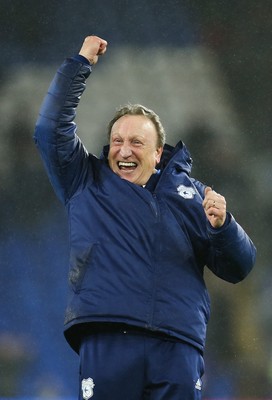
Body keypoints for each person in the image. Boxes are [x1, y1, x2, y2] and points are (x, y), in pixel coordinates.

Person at [34, 36, 256, 400]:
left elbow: (240, 266)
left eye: (136, 142)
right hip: (108, 338)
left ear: (158, 155)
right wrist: (79, 65)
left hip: (178, 344)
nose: (123, 149)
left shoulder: (194, 195)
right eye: (116, 141)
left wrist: (224, 227)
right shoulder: (84, 181)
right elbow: (49, 130)